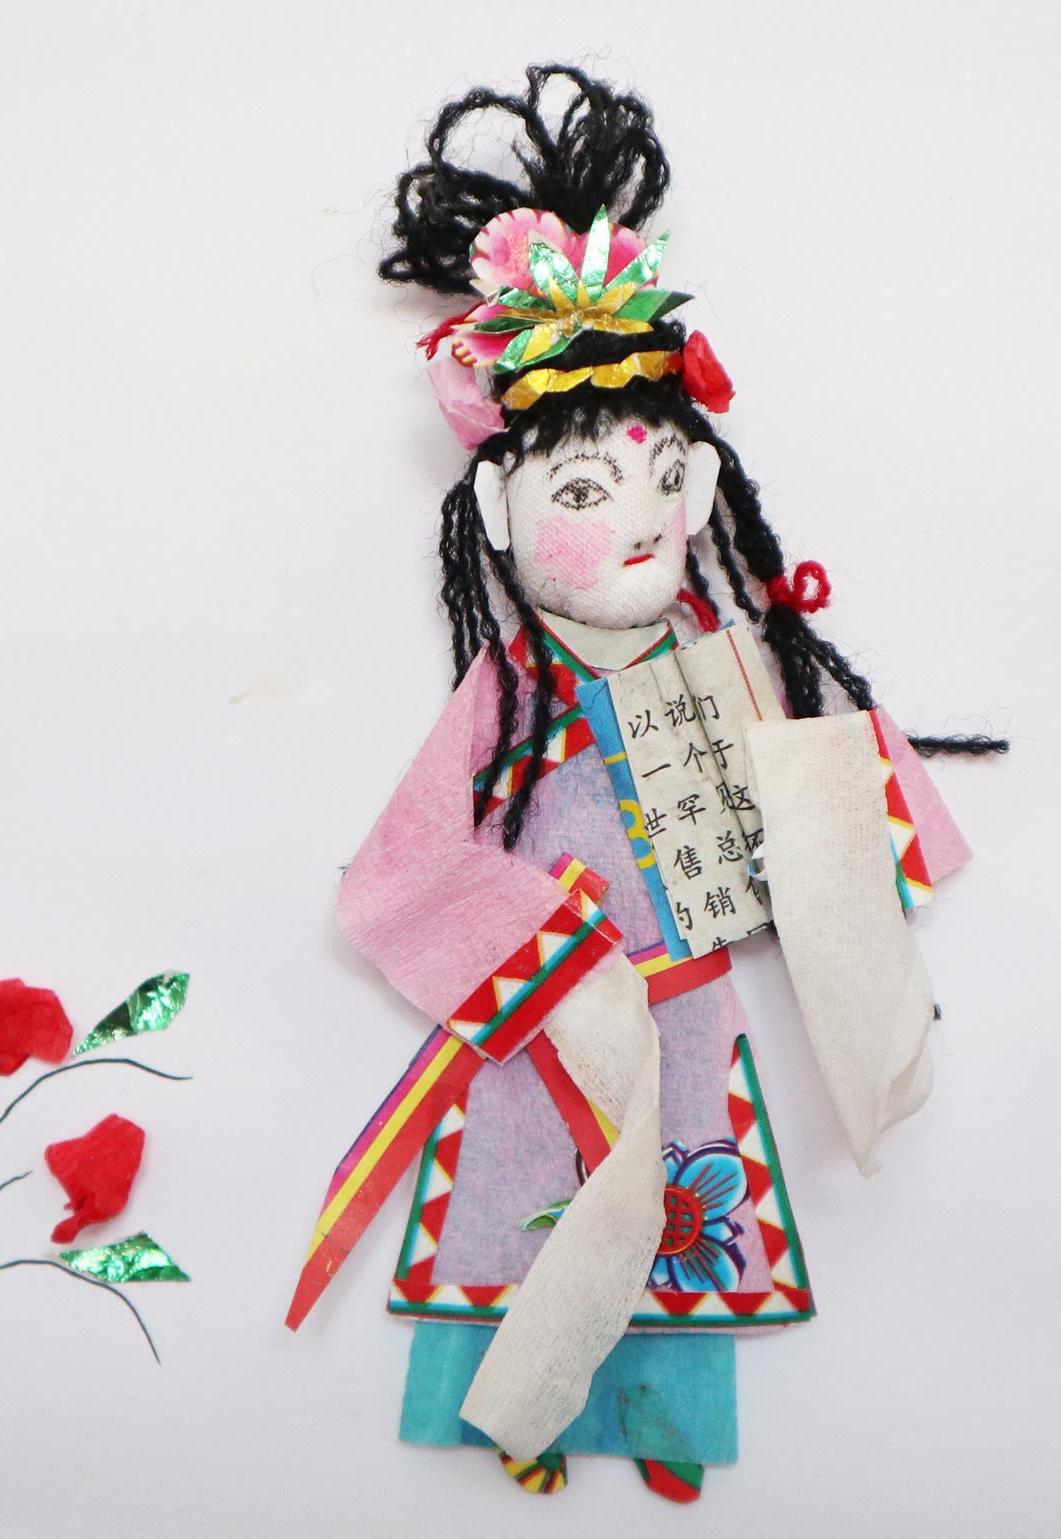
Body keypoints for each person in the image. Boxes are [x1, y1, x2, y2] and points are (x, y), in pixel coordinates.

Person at [288, 64, 999, 1502]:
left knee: (686, 1189)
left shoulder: (733, 664)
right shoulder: (511, 692)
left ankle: (665, 1416)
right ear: (498, 512)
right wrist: (547, 952)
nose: (636, 522)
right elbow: (400, 876)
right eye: (580, 492)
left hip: (682, 1011)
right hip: (553, 1016)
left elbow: (828, 787)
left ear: (700, 487)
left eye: (660, 479)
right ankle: (513, 1417)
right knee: (520, 1197)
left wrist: (871, 904)